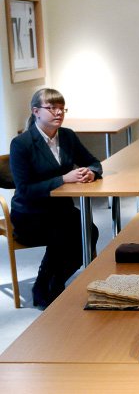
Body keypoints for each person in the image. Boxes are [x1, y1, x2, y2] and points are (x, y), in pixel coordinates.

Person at [10, 88, 102, 309]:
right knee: (64, 235)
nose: (58, 113)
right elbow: (25, 189)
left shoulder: (67, 136)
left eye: (62, 108)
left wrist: (91, 172)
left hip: (60, 210)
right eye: (52, 108)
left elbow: (93, 162)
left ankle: (51, 282)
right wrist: (63, 179)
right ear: (36, 111)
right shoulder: (21, 143)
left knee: (89, 231)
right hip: (29, 214)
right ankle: (47, 288)